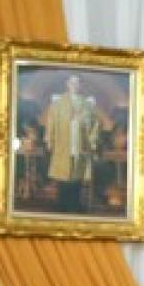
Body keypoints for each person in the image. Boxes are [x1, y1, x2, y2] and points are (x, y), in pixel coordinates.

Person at [41, 74, 101, 213]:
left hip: (80, 144)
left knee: (77, 175)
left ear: (81, 85)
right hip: (63, 144)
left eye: (77, 83)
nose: (75, 85)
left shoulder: (87, 104)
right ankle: (61, 204)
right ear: (67, 84)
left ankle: (75, 205)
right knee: (63, 174)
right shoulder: (58, 103)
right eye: (72, 82)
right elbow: (51, 122)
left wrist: (92, 141)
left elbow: (95, 124)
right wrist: (49, 139)